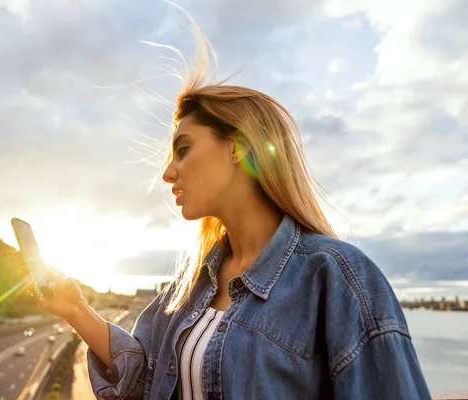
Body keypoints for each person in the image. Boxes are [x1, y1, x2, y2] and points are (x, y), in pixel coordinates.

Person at [33, 32, 431, 400]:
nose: (168, 172)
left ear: (238, 147)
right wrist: (76, 311)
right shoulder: (186, 290)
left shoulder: (336, 277)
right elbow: (145, 378)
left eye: (183, 149)